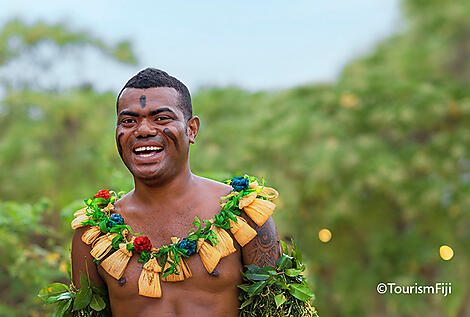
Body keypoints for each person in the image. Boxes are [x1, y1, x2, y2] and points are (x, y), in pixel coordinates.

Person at [71, 68, 281, 316]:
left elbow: (277, 308)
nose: (143, 130)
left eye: (161, 119)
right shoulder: (95, 233)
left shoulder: (244, 216)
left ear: (191, 129)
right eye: (129, 121)